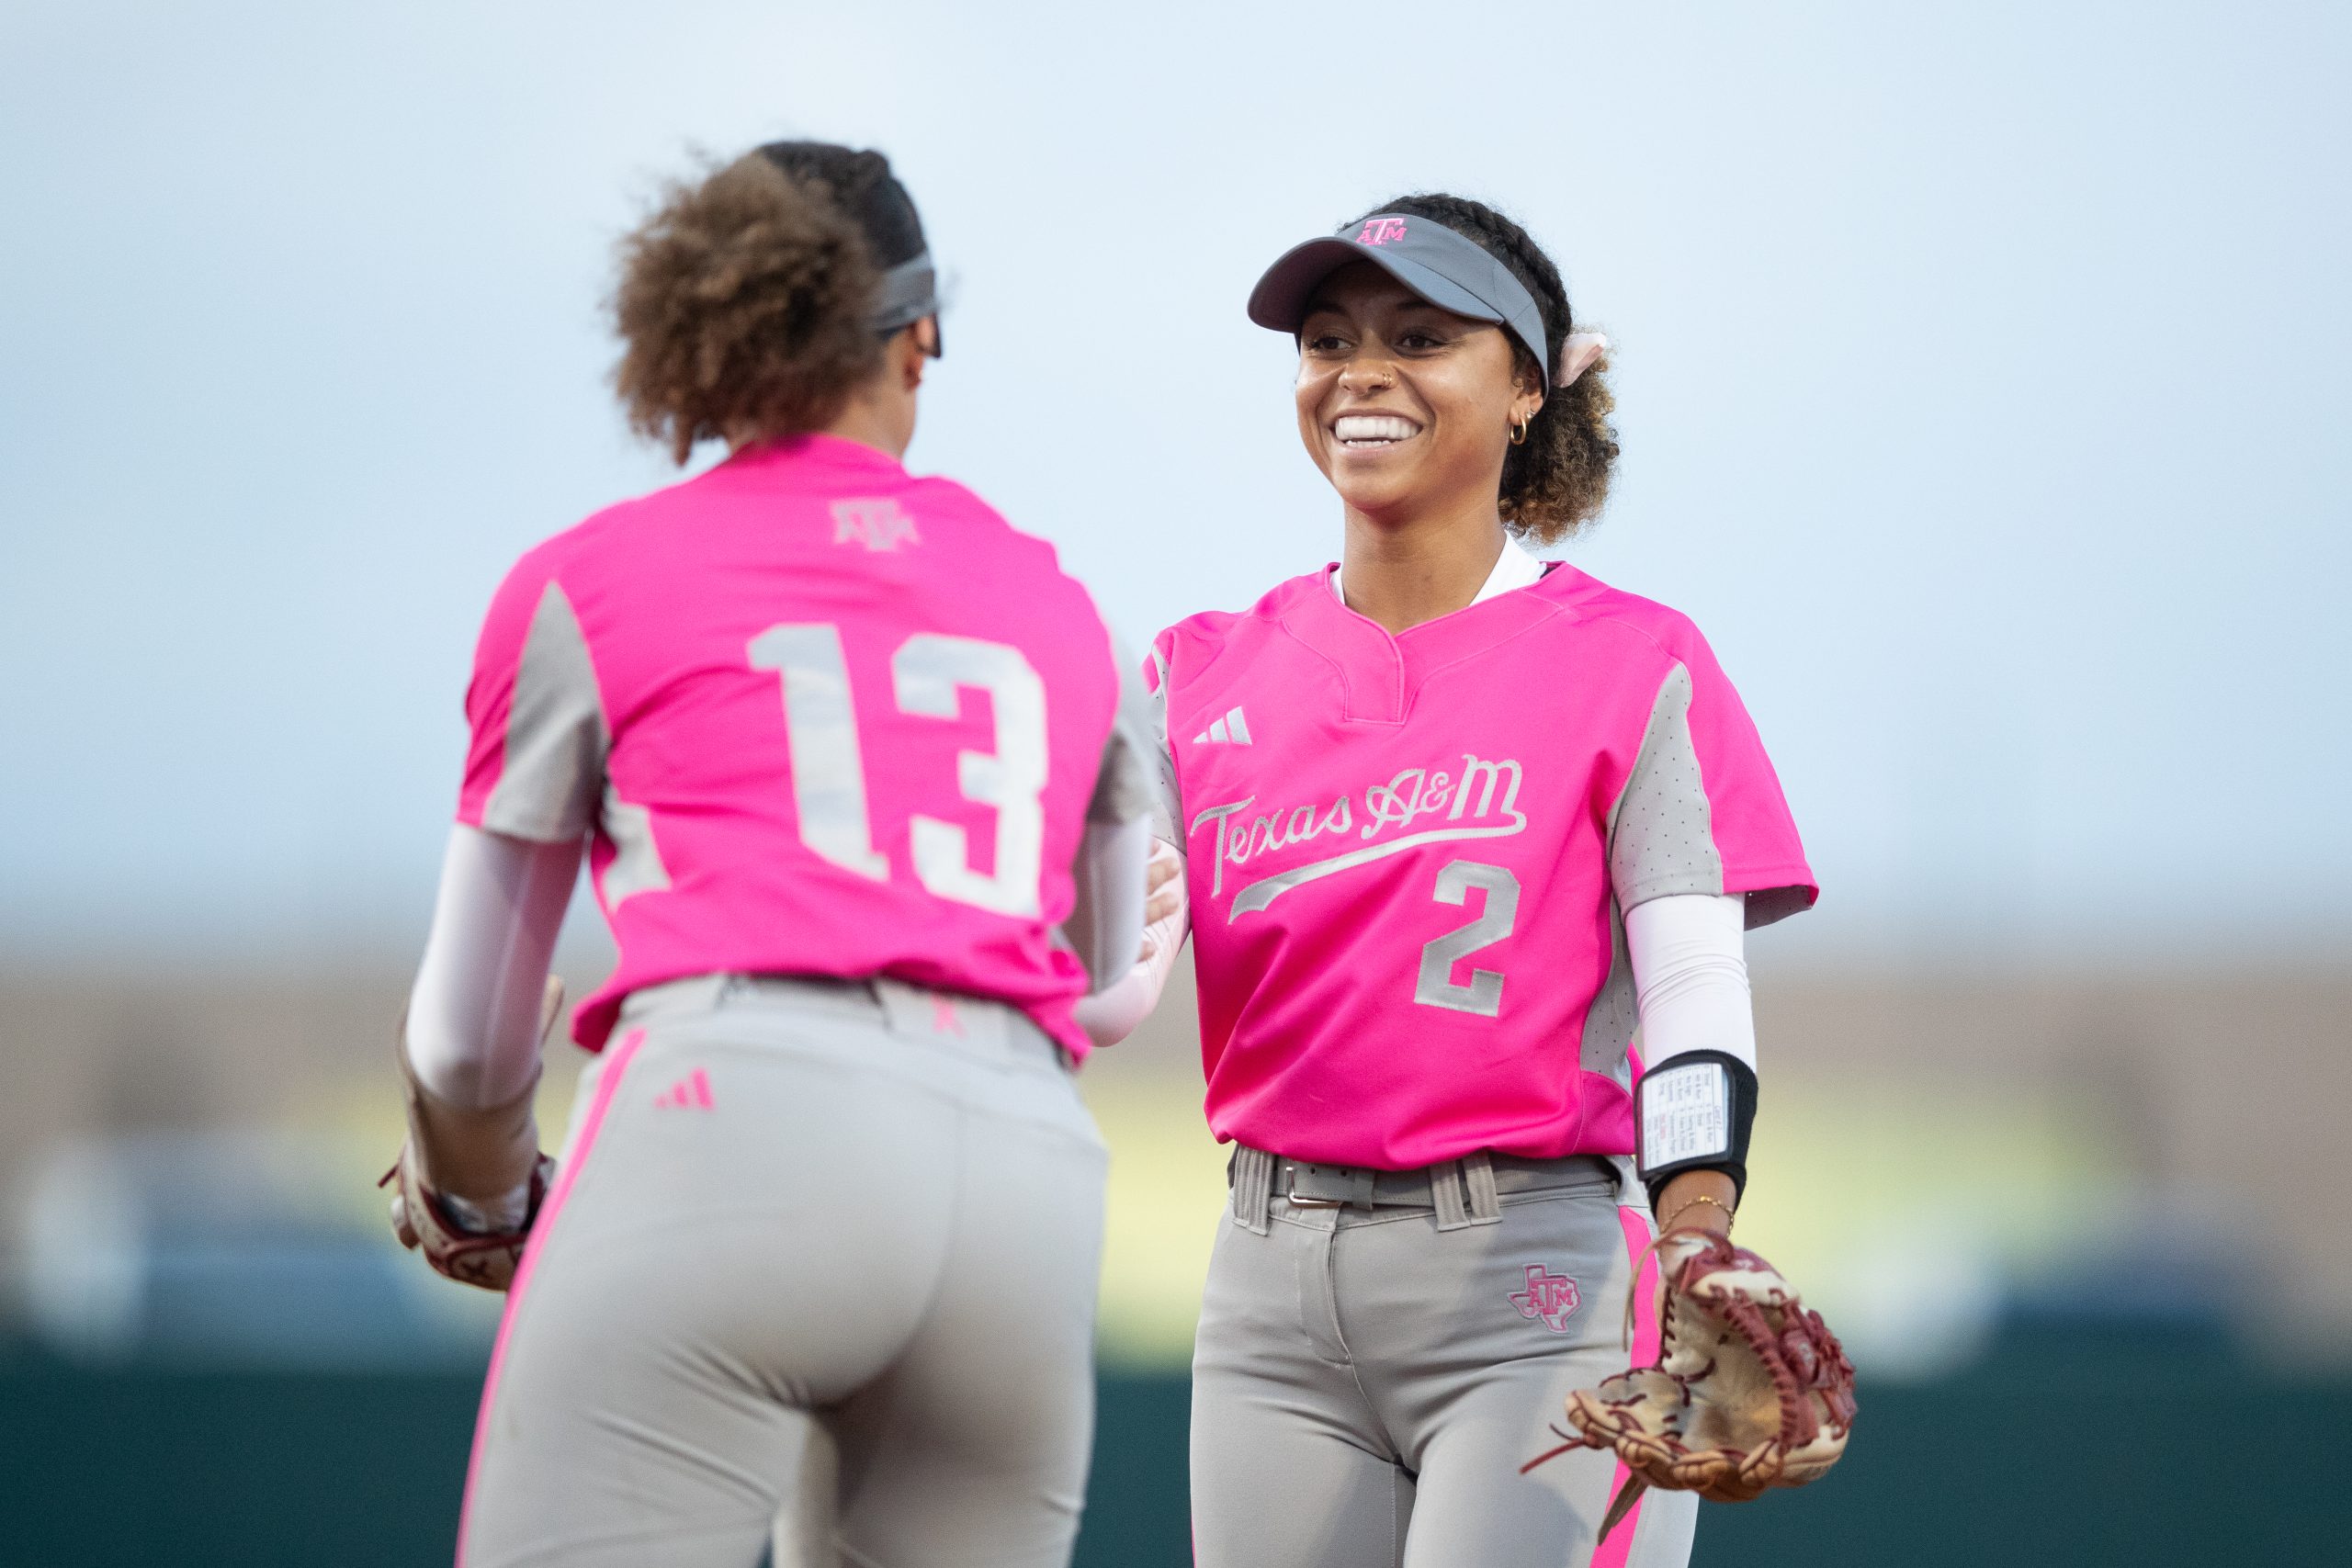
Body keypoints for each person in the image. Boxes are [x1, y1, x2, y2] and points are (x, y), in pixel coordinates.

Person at [386, 141, 1166, 1568]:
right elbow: (1107, 983)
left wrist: (484, 1198)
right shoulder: (1072, 612)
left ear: (704, 332)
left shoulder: (591, 579)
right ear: (920, 332)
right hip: (1023, 1173)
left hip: (738, 1116)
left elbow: (465, 1044)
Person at [1093, 195, 1817, 1567]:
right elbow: (1111, 990)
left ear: (1530, 385)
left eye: (1419, 335)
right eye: (1326, 341)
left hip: (1534, 1280)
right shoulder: (1197, 672)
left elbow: (1696, 994)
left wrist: (1700, 1235)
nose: (1358, 373)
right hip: (1267, 1281)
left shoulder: (1634, 659)